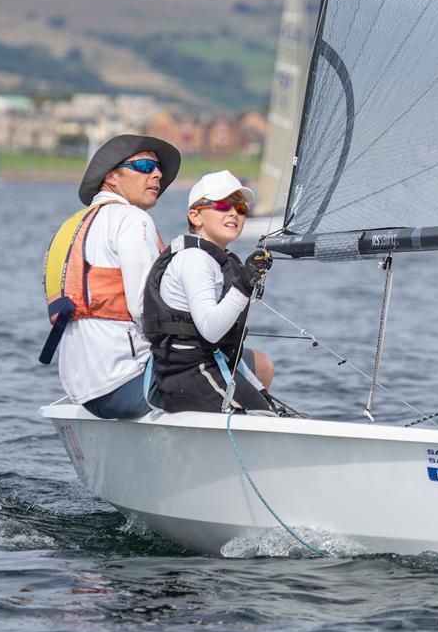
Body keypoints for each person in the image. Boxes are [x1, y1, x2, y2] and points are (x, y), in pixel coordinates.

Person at [40, 134, 181, 419]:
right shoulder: (132, 219)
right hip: (125, 382)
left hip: (82, 390)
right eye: (143, 166)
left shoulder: (71, 226)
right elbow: (146, 310)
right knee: (252, 364)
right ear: (111, 177)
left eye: (158, 170)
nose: (157, 174)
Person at [142, 170, 276, 414]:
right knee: (262, 416)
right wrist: (245, 283)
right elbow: (211, 331)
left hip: (208, 369)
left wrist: (260, 390)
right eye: (223, 205)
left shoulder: (215, 260)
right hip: (185, 376)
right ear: (195, 216)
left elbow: (226, 351)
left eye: (241, 208)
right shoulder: (195, 260)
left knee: (271, 410)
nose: (234, 212)